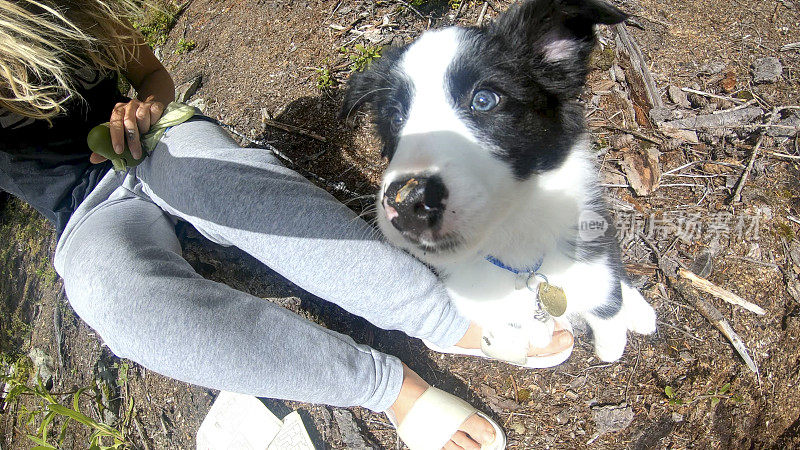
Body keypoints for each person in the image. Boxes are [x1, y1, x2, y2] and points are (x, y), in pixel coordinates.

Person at [0, 1, 573, 448]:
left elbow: (152, 75)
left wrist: (145, 106)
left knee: (215, 184)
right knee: (111, 298)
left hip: (155, 144)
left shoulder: (54, 10)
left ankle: (445, 319)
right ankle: (388, 389)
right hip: (85, 210)